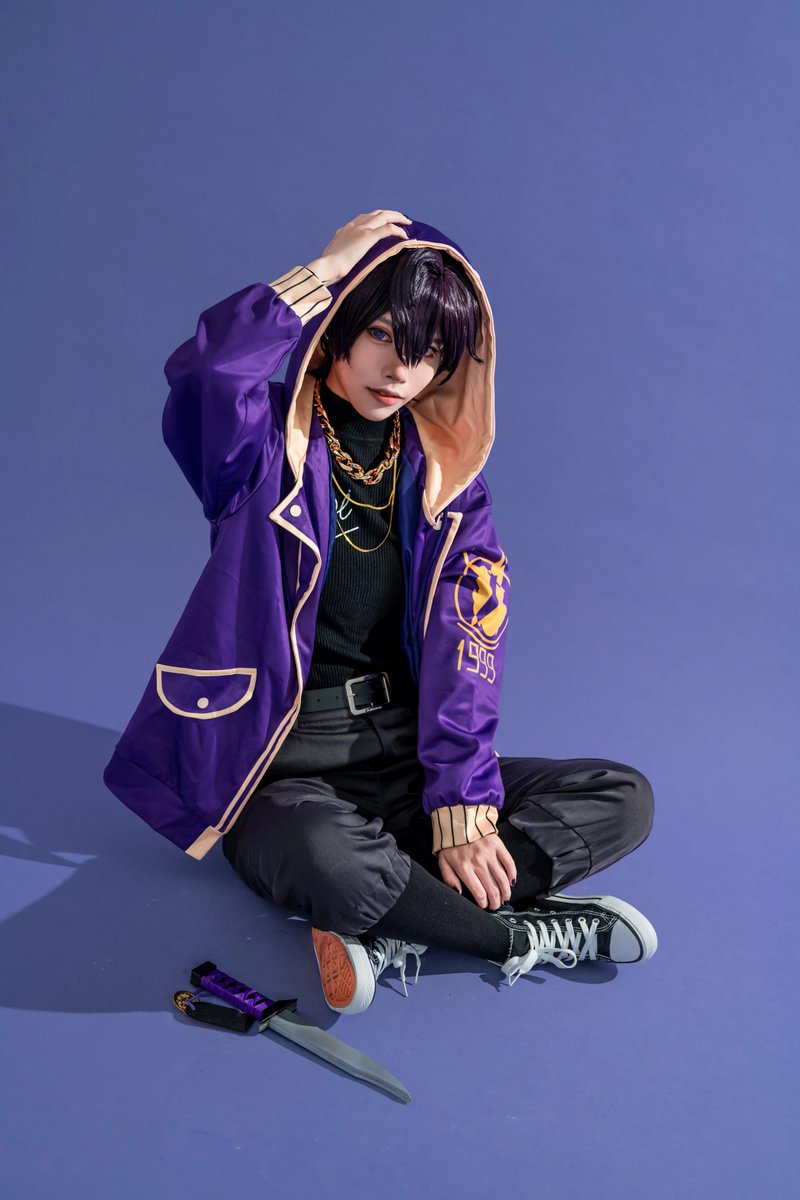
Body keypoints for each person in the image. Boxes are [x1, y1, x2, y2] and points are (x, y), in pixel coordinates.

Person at [104, 209, 656, 1016]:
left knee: (622, 796)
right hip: (279, 767)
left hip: (407, 758)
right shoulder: (259, 448)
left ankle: (401, 915)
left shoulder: (450, 487)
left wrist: (459, 802)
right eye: (384, 336)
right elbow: (208, 372)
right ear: (340, 327)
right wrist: (327, 270)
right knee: (336, 865)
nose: (401, 370)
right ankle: (506, 934)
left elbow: (469, 648)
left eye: (429, 353)